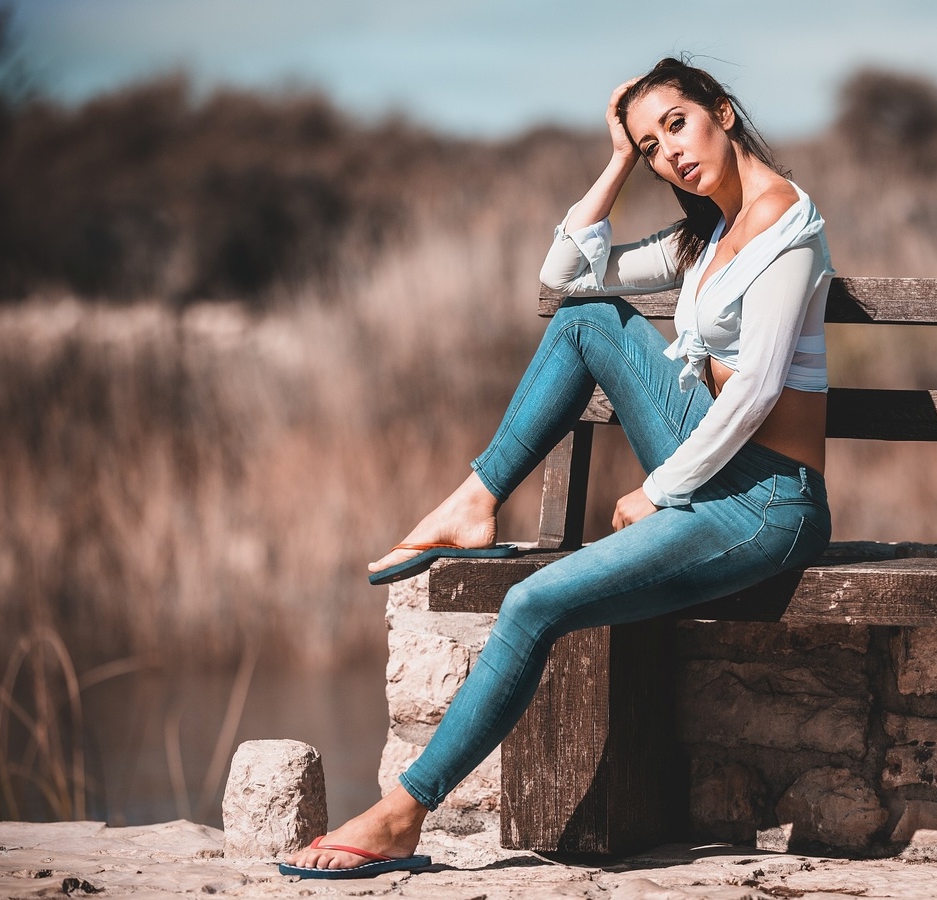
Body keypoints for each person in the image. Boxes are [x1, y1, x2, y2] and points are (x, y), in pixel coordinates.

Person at [281, 57, 834, 879]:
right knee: (589, 323)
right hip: (715, 473)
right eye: (651, 145)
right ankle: (475, 500)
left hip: (768, 504)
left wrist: (659, 489)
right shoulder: (710, 235)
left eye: (676, 125)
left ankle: (402, 812)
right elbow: (563, 280)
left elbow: (754, 389)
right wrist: (612, 160)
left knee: (533, 600)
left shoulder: (787, 221)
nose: (668, 154)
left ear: (722, 110)